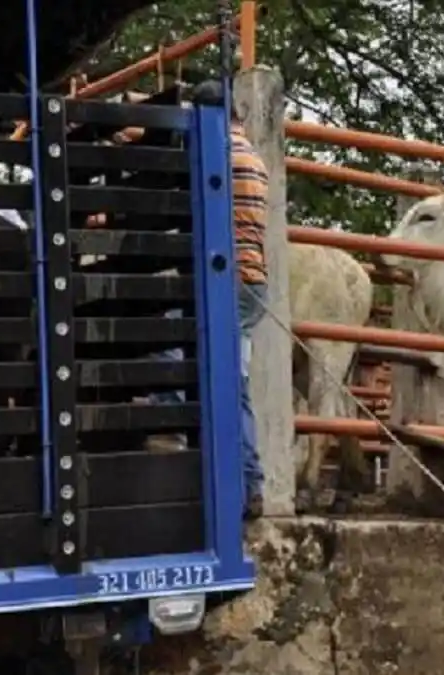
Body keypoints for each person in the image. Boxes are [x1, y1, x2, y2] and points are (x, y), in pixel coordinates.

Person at [189, 80, 268, 519]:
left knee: (226, 381)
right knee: (234, 378)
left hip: (230, 281)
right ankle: (246, 482)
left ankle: (244, 480)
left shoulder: (217, 151)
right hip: (252, 281)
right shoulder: (250, 153)